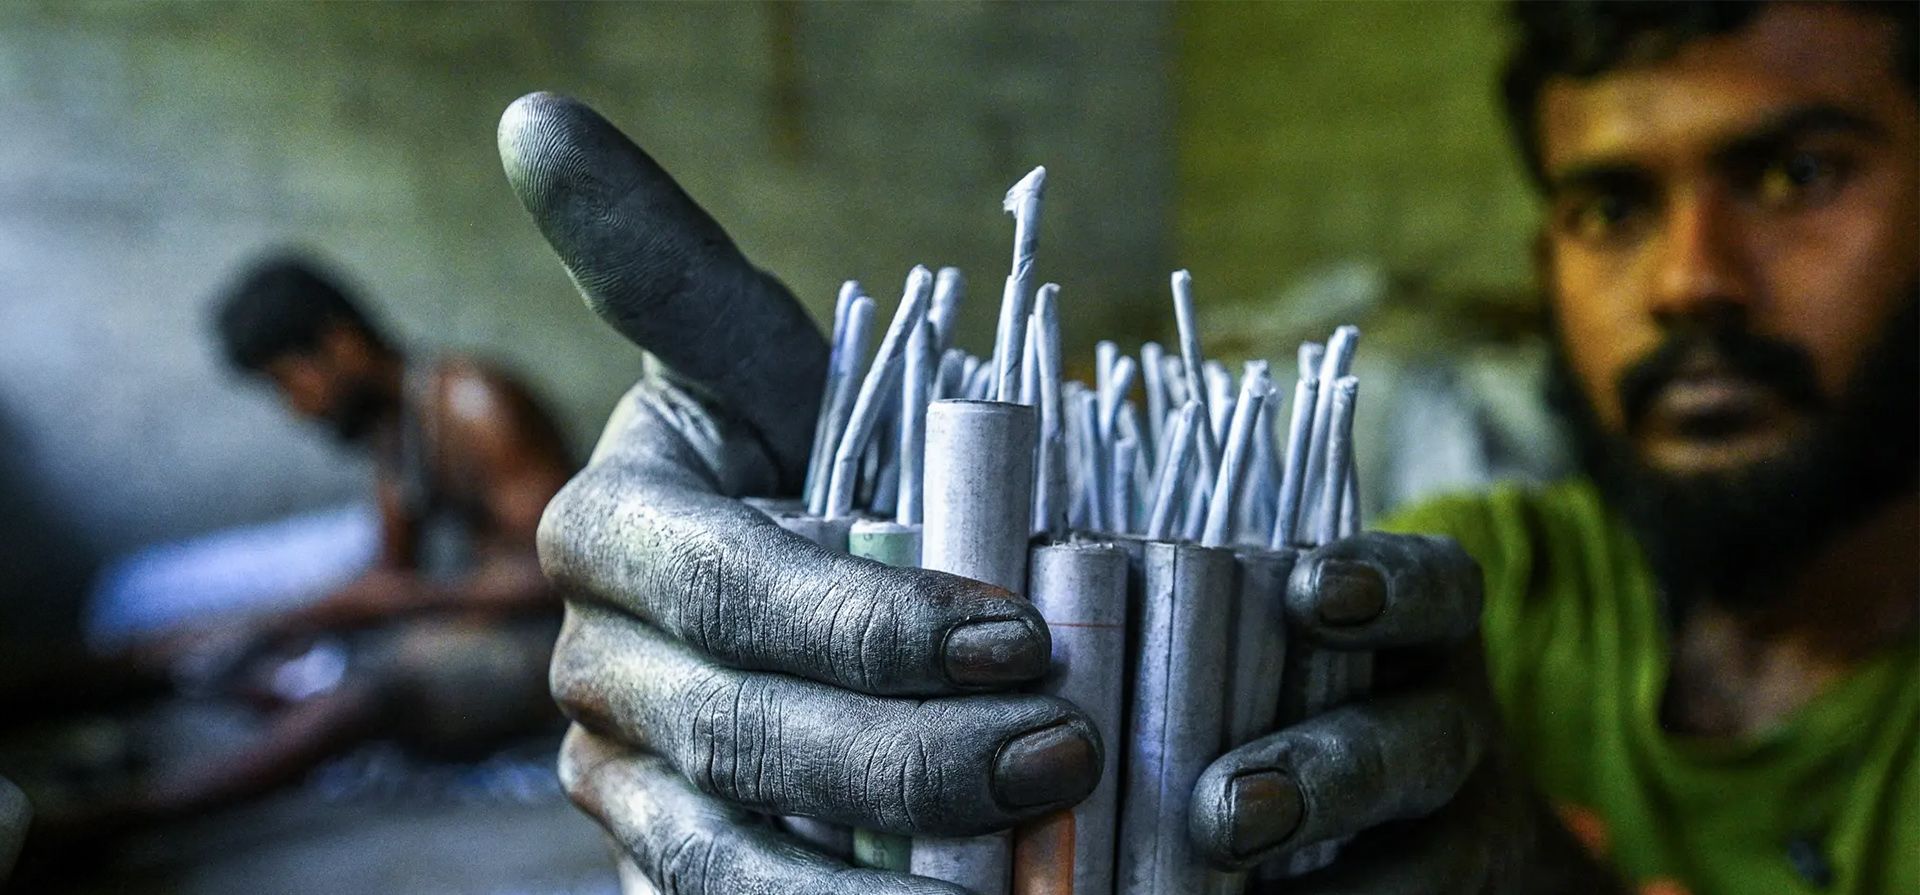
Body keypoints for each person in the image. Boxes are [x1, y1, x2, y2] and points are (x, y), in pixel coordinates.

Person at [498, 1, 1914, 892]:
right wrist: (797, 573)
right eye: (1610, 203)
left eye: (1797, 174)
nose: (1691, 282)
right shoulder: (1479, 580)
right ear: (1544, 248)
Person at [20, 257, 577, 850]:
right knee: (227, 642)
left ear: (339, 345)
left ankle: (92, 827)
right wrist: (284, 627)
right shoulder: (398, 429)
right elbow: (390, 574)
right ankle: (34, 698)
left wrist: (400, 602)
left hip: (551, 643)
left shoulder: (476, 404)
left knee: (366, 695)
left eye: (289, 382)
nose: (296, 408)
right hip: (470, 620)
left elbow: (562, 575)